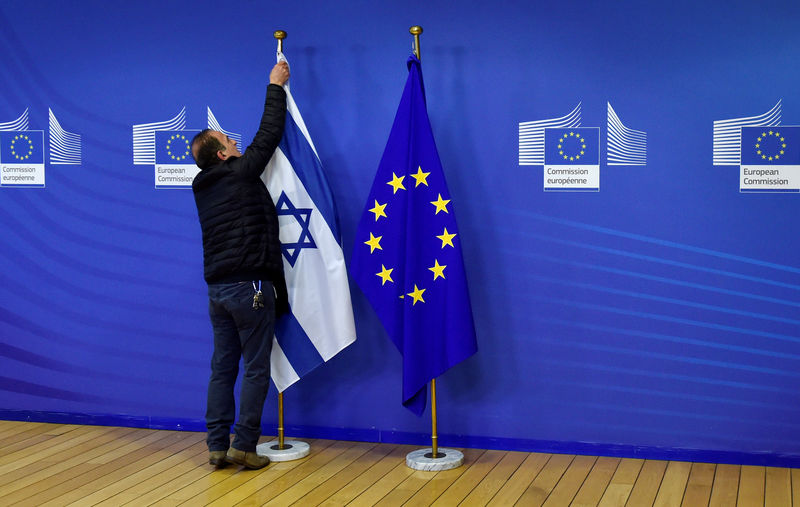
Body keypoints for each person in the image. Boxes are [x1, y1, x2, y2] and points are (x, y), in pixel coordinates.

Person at [190, 61, 290, 470]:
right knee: (254, 369)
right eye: (227, 140)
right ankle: (245, 446)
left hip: (218, 293)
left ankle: (217, 445)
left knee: (222, 368)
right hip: (250, 288)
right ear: (222, 154)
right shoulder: (239, 173)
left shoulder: (204, 187)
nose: (235, 140)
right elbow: (268, 135)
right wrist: (274, 86)